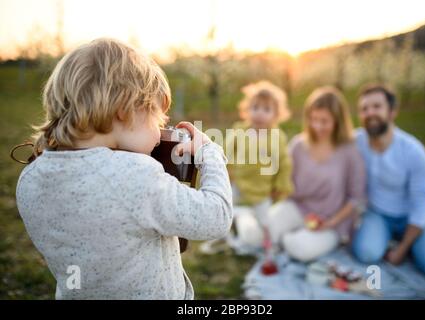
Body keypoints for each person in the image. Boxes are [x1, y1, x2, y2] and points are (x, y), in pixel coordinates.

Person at [15, 38, 233, 299]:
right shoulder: (134, 176)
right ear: (125, 109)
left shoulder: (30, 177)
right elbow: (216, 217)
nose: (160, 130)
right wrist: (210, 152)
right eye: (157, 117)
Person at [352, 84, 425, 281]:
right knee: (366, 254)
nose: (370, 112)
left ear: (392, 112)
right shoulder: (356, 141)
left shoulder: (414, 152)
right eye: (364, 108)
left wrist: (402, 250)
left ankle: (409, 242)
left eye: (377, 106)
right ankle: (385, 238)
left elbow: (421, 206)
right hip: (377, 213)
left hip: (411, 218)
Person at [266, 86, 366, 262]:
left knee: (301, 249)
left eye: (324, 121)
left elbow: (355, 198)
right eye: (313, 119)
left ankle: (287, 240)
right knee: (270, 221)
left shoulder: (350, 152)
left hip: (331, 219)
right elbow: (283, 178)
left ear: (338, 121)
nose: (317, 126)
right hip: (299, 208)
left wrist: (331, 223)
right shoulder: (298, 145)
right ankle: (279, 236)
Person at [226, 81, 293, 248]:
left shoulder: (278, 137)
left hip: (263, 187)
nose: (259, 114)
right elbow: (227, 150)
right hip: (239, 181)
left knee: (265, 218)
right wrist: (227, 169)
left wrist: (281, 185)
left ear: (276, 114)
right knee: (225, 205)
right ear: (247, 110)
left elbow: (284, 164)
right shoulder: (239, 130)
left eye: (266, 109)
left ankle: (268, 242)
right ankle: (221, 234)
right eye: (255, 108)